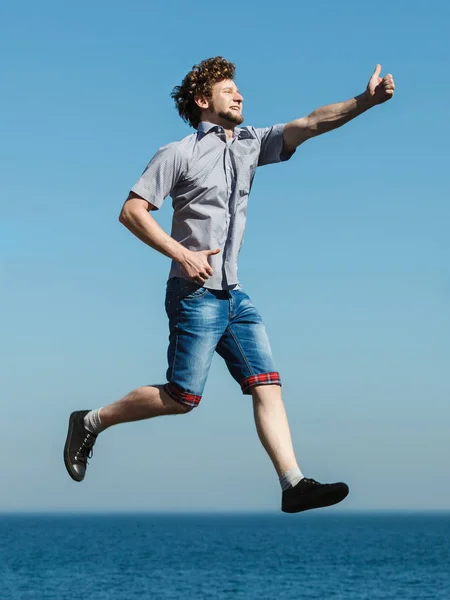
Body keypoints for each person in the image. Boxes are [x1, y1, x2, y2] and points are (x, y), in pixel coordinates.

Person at [64, 57, 395, 513]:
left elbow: (311, 123)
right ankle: (90, 421)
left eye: (240, 90)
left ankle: (292, 483)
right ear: (204, 101)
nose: (240, 96)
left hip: (234, 295)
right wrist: (181, 253)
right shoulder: (177, 153)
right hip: (193, 295)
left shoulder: (250, 144)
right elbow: (132, 212)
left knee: (267, 384)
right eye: (228, 90)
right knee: (182, 398)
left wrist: (366, 102)